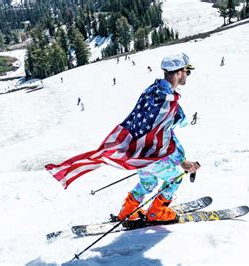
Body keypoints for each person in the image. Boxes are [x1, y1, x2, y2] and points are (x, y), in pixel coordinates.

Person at [45, 53, 200, 223]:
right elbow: (163, 136)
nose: (188, 75)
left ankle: (129, 211)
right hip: (152, 156)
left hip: (138, 154)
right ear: (178, 73)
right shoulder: (166, 102)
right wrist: (181, 161)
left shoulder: (153, 90)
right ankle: (157, 212)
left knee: (148, 182)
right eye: (187, 71)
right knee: (175, 177)